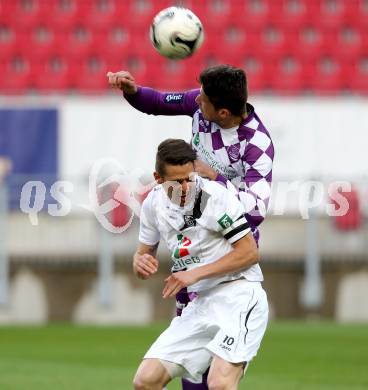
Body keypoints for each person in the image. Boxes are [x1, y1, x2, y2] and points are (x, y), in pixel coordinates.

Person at [107, 64, 274, 390]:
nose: (194, 100)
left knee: (218, 378)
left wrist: (213, 179)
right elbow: (157, 103)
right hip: (191, 248)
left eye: (202, 99)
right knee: (188, 371)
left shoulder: (257, 144)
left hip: (230, 250)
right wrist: (131, 90)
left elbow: (255, 210)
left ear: (223, 112)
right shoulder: (202, 106)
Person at [133, 139, 268, 390]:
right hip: (202, 303)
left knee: (219, 385)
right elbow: (143, 254)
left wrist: (193, 275)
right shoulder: (153, 204)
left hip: (239, 295)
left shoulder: (214, 197)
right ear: (158, 178)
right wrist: (139, 263)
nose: (185, 188)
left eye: (189, 179)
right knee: (145, 381)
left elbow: (249, 253)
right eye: (177, 182)